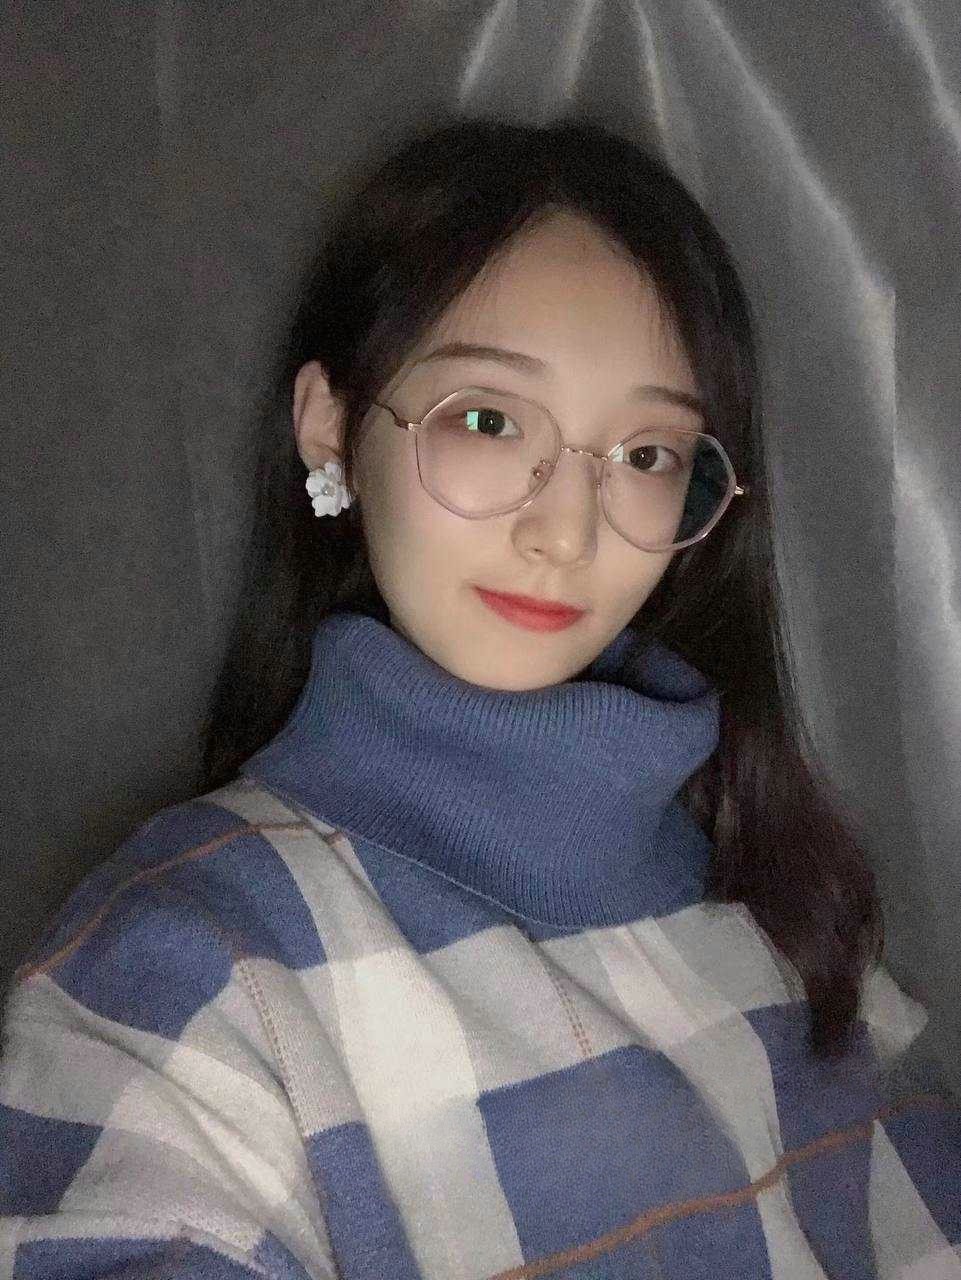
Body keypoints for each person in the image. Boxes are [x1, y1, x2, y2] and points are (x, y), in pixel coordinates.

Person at [1, 115, 958, 1280]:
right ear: (331, 426)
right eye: (489, 420)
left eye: (647, 454)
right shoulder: (185, 962)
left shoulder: (772, 889)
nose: (566, 529)